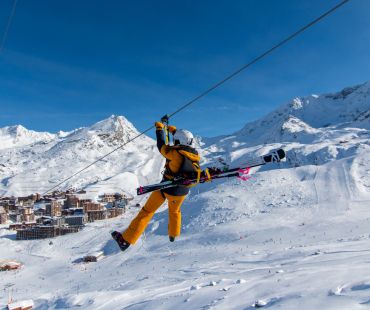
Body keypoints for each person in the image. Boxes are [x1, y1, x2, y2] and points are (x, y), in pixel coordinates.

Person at [111, 121, 201, 251]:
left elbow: (161, 146)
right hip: (182, 191)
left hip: (165, 188)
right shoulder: (194, 156)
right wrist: (173, 131)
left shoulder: (174, 153)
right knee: (175, 211)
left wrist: (160, 130)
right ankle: (173, 235)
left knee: (147, 211)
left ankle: (126, 240)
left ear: (177, 142)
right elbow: (181, 139)